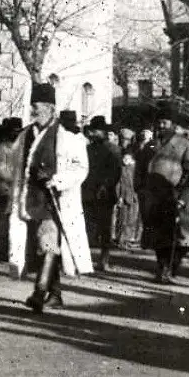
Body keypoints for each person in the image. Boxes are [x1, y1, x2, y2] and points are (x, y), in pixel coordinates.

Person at [6, 82, 91, 312]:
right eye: (32, 105)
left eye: (38, 106)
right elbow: (15, 166)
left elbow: (81, 168)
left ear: (51, 108)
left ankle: (39, 292)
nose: (33, 110)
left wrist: (56, 178)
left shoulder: (67, 137)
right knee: (42, 248)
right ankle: (56, 295)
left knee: (48, 246)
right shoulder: (26, 135)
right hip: (29, 200)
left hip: (53, 201)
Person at [140, 110, 189, 284]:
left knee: (177, 237)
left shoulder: (184, 145)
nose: (161, 125)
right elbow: (142, 168)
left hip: (175, 196)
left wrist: (182, 195)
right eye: (159, 122)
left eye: (165, 122)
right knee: (158, 235)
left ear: (173, 125)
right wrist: (140, 188)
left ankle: (170, 267)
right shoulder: (151, 144)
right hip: (154, 196)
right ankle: (162, 267)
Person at [82, 115, 122, 272]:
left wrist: (105, 185)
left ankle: (104, 259)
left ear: (103, 132)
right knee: (87, 226)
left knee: (105, 228)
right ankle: (85, 260)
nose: (92, 134)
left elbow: (115, 172)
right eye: (92, 131)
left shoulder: (113, 149)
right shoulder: (88, 149)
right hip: (88, 192)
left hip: (104, 193)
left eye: (95, 131)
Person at [0, 118, 21, 262]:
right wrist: (16, 177)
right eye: (14, 131)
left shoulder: (14, 147)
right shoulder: (2, 148)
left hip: (8, 190)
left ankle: (2, 249)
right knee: (0, 222)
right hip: (2, 190)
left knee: (5, 222)